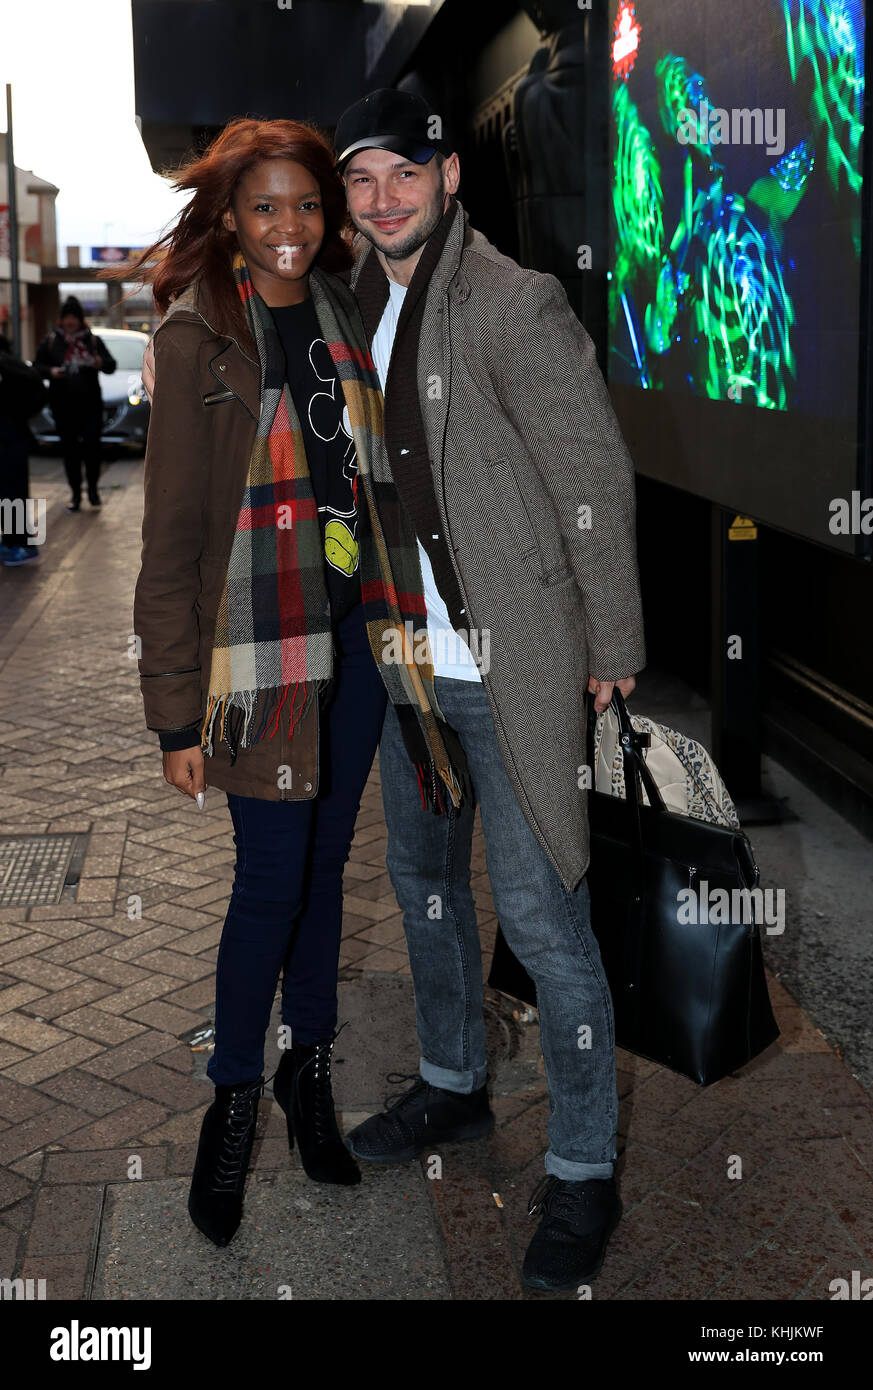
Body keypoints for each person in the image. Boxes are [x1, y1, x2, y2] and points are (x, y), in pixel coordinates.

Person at [132, 117, 469, 1250]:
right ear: (229, 215)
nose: (290, 227)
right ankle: (233, 1102)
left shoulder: (343, 313)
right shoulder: (196, 340)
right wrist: (175, 711)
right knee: (269, 883)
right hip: (260, 659)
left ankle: (306, 1074)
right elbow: (171, 541)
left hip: (358, 643)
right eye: (266, 206)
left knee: (327, 871)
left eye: (306, 207)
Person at [332, 89, 646, 1293]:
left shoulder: (515, 303)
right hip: (409, 673)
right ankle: (456, 1084)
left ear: (448, 176)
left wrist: (610, 640)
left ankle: (582, 1167)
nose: (383, 197)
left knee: (542, 918)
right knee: (421, 888)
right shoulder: (354, 306)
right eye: (362, 180)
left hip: (511, 674)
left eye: (403, 173)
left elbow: (593, 477)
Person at [34, 296, 115, 511]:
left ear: (80, 320)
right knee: (70, 452)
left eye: (74, 318)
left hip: (90, 406)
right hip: (63, 407)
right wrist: (51, 371)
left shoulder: (93, 340)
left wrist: (99, 362)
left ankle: (93, 491)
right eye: (67, 318)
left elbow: (111, 365)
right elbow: (36, 365)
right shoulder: (52, 341)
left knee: (92, 450)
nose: (70, 322)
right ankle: (75, 495)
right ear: (61, 320)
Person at [0, 333, 47, 566]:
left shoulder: (6, 364)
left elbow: (36, 387)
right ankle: (14, 543)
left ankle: (20, 546)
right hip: (11, 438)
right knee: (10, 496)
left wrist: (18, 416)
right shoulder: (9, 363)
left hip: (9, 441)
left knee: (12, 496)